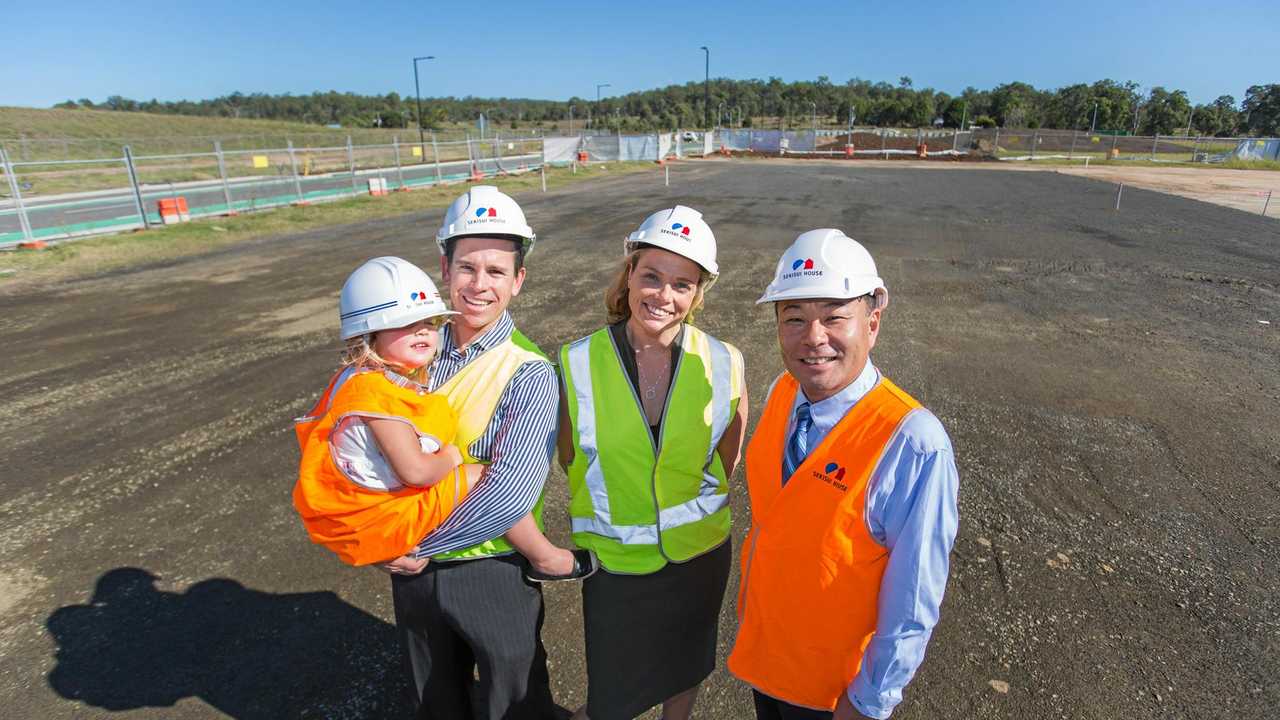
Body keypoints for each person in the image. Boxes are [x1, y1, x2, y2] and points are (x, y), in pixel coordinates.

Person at [727, 229, 960, 720]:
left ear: (872, 323)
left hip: (835, 695)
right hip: (768, 665)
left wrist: (870, 700)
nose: (814, 338)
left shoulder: (913, 442)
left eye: (835, 317)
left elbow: (914, 595)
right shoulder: (784, 393)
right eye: (794, 319)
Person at [382, 186, 591, 720]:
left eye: (496, 271)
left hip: (489, 569)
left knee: (512, 703)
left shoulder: (529, 370)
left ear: (518, 280)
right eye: (467, 268)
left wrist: (420, 542)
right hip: (411, 569)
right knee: (434, 702)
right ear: (443, 268)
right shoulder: (408, 355)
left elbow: (508, 493)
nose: (479, 285)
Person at [557, 206, 748, 720]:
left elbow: (725, 461)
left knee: (687, 665)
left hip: (700, 552)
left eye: (682, 285)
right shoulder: (576, 361)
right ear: (630, 276)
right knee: (614, 690)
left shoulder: (727, 361)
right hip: (616, 562)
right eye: (652, 277)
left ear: (697, 293)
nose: (664, 296)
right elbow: (568, 456)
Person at [292, 256, 586, 576]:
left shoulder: (362, 380)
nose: (422, 333)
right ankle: (545, 557)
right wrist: (452, 456)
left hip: (370, 510)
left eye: (429, 323)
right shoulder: (376, 395)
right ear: (370, 335)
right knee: (478, 476)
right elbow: (416, 472)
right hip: (384, 516)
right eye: (405, 325)